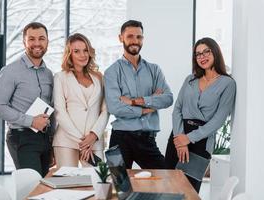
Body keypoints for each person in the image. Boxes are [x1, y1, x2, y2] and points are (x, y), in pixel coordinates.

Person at [164, 37, 236, 192]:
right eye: (198, 54)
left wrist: (188, 139)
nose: (202, 57)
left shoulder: (227, 83)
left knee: (188, 190)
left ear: (215, 52)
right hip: (178, 136)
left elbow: (219, 120)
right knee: (168, 186)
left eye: (206, 52)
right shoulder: (190, 80)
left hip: (202, 141)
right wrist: (180, 138)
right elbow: (177, 109)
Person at [104, 20, 173, 169]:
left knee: (165, 179)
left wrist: (133, 102)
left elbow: (168, 98)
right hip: (120, 138)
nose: (135, 41)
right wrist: (148, 107)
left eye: (139, 37)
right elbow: (115, 107)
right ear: (120, 38)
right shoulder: (111, 72)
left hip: (147, 139)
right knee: (117, 188)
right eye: (130, 36)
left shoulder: (154, 70)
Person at [0, 22, 53, 177]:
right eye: (31, 39)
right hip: (21, 137)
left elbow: (50, 107)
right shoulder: (10, 71)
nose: (37, 43)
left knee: (44, 185)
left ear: (47, 41)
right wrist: (31, 121)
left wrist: (51, 142)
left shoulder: (48, 74)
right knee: (32, 186)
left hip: (45, 137)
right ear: (24, 42)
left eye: (41, 38)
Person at [53, 33, 109, 167]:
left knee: (97, 181)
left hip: (94, 141)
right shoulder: (60, 77)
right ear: (69, 54)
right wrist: (82, 142)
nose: (83, 55)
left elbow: (106, 110)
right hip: (66, 141)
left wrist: (93, 136)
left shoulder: (99, 77)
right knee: (69, 182)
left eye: (85, 50)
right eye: (76, 51)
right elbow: (60, 112)